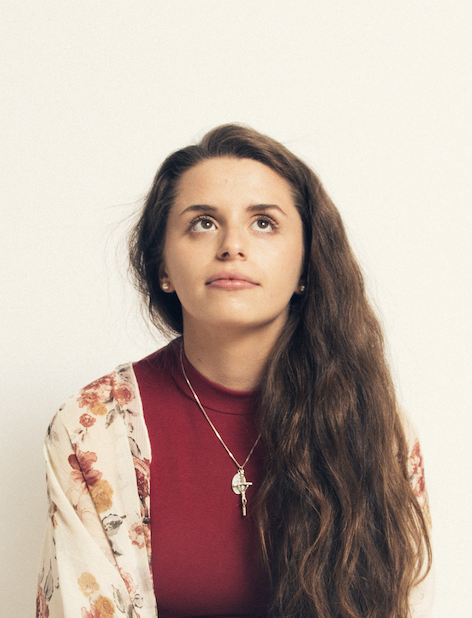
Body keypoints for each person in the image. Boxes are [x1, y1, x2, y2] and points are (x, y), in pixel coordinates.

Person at [37, 124, 433, 618]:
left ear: (306, 264)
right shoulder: (90, 429)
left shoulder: (375, 426)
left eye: (264, 223)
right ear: (163, 266)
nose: (232, 246)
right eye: (203, 223)